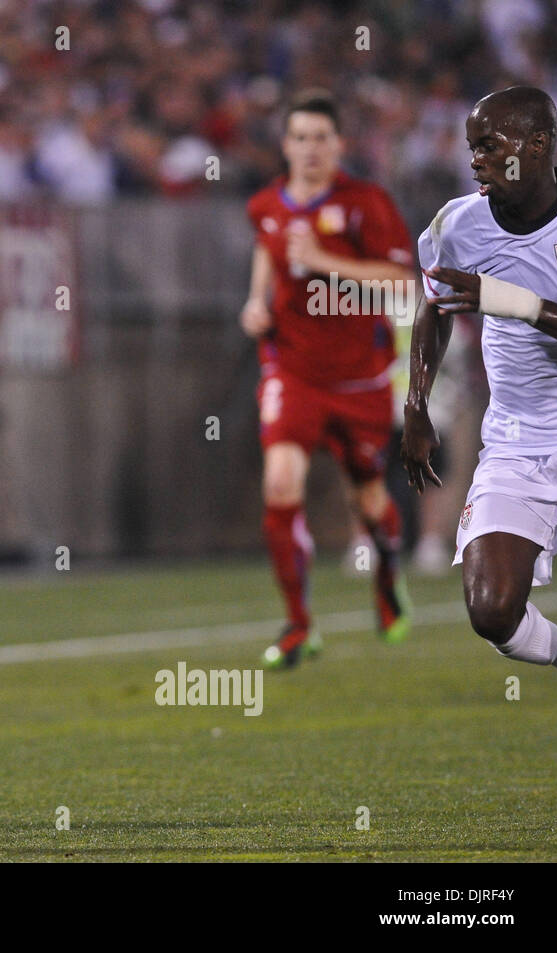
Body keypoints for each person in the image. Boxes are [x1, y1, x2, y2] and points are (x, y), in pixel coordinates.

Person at [403, 86, 557, 742]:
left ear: (538, 146)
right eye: (474, 147)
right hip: (519, 440)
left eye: (490, 146)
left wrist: (507, 298)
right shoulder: (457, 224)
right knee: (492, 609)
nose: (477, 161)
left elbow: (501, 303)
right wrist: (416, 403)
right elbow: (433, 309)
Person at [240, 89, 415, 668]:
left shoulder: (367, 202)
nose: (311, 148)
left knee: (368, 496)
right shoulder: (266, 204)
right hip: (292, 370)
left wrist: (324, 261)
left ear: (339, 144)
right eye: (301, 137)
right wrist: (254, 302)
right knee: (280, 484)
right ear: (285, 145)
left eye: (322, 137)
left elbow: (401, 283)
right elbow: (268, 249)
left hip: (361, 378)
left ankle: (388, 574)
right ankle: (299, 624)